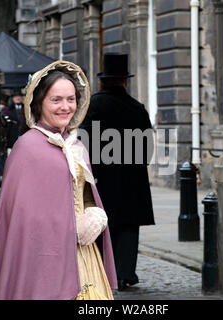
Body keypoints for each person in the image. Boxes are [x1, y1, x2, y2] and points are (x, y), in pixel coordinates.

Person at [0, 60, 117, 300]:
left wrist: (93, 215)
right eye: (56, 100)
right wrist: (74, 226)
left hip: (83, 258)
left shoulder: (77, 146)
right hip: (40, 261)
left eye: (71, 99)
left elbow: (83, 198)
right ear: (39, 102)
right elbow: (25, 222)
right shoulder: (27, 148)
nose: (66, 107)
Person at [81, 52, 155, 291]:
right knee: (129, 226)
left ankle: (106, 271)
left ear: (103, 80)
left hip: (103, 177)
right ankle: (125, 273)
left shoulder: (93, 106)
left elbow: (83, 143)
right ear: (125, 81)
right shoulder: (137, 108)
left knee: (104, 224)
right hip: (133, 178)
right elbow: (148, 149)